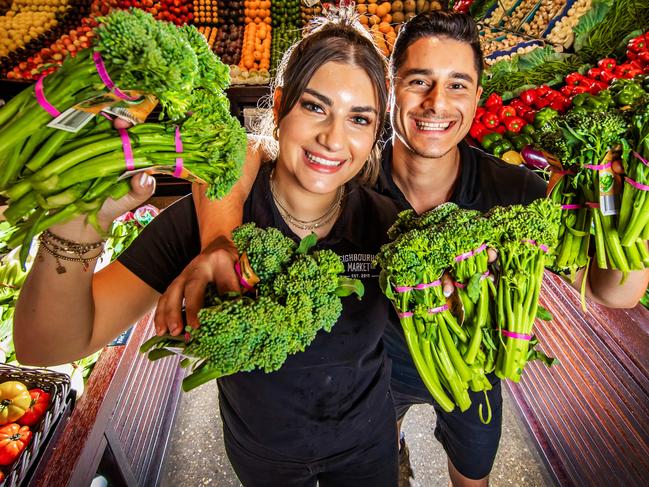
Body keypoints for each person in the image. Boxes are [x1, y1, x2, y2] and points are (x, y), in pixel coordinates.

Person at [156, 10, 649, 487]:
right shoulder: (349, 172)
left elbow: (616, 293)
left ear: (478, 96)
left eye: (457, 84)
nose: (437, 103)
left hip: (474, 372)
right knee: (385, 461)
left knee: (474, 472)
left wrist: (632, 211)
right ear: (389, 92)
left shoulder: (513, 189)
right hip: (378, 380)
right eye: (418, 81)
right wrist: (219, 233)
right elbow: (251, 150)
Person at [14, 12, 403, 487]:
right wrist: (78, 226)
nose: (333, 138)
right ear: (279, 106)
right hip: (263, 455)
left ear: (376, 129)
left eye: (358, 118)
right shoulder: (205, 221)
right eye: (315, 107)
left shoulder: (386, 224)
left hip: (367, 445)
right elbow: (47, 345)